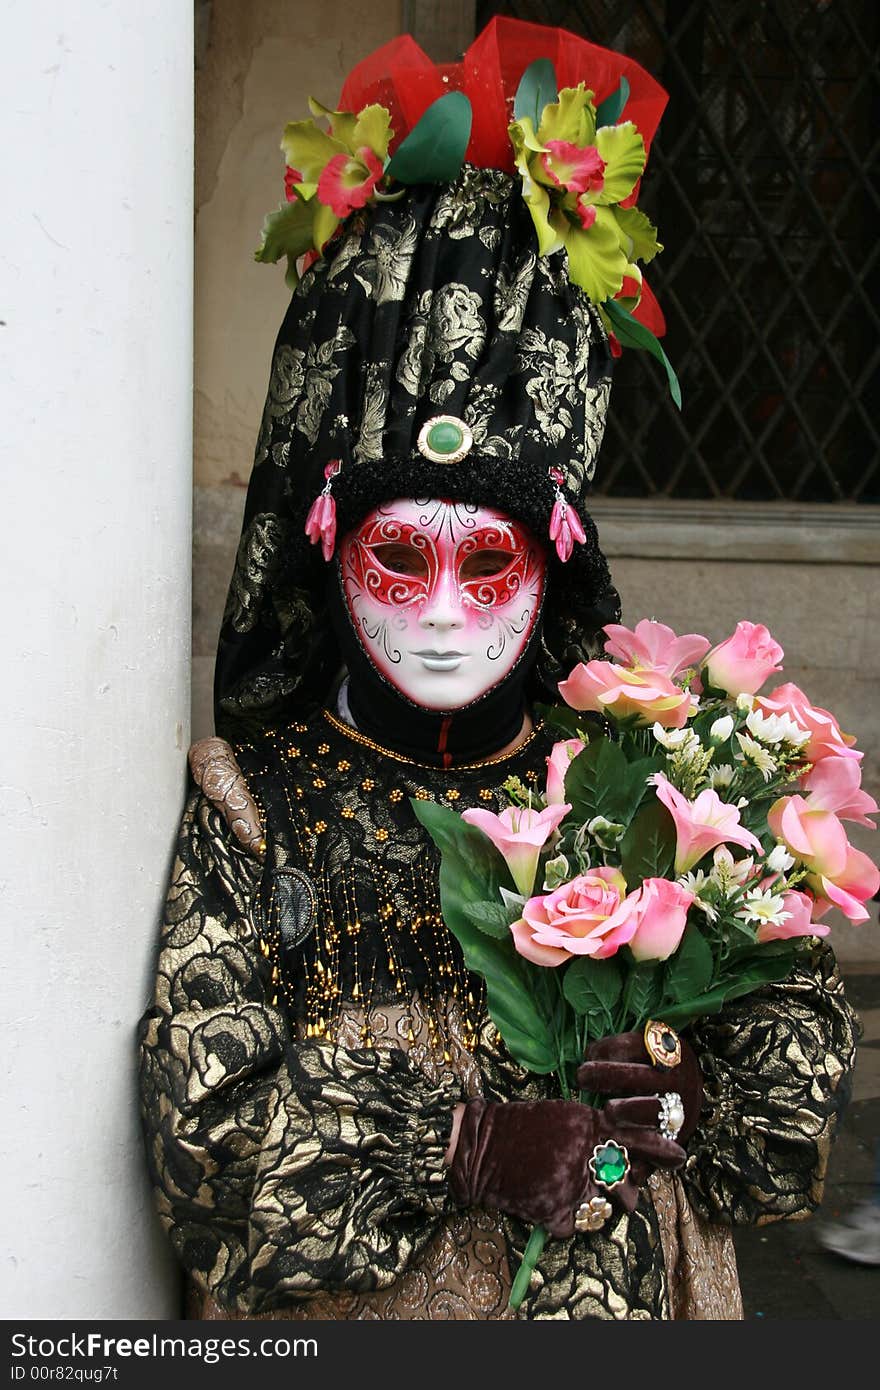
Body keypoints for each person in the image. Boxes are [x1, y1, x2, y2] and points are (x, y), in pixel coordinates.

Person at [138, 17, 860, 1320]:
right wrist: (459, 1146)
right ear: (324, 536)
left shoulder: (642, 790)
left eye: (493, 566)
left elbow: (787, 1043)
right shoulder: (258, 806)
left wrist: (697, 1088)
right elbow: (204, 1143)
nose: (445, 613)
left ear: (562, 553)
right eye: (399, 555)